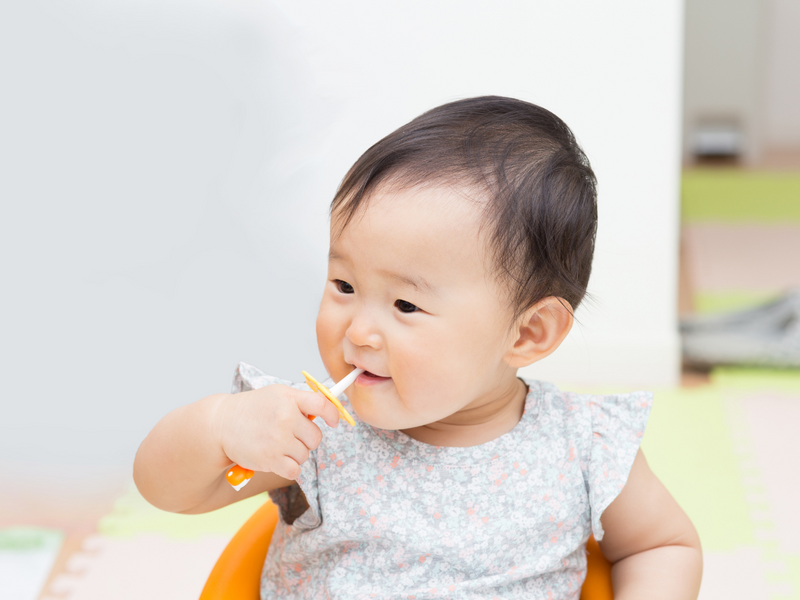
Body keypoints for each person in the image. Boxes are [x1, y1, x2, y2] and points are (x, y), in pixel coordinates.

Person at [134, 96, 702, 599]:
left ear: (527, 333)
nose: (358, 331)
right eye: (344, 286)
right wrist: (220, 425)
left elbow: (662, 547)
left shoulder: (584, 444)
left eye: (405, 306)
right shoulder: (312, 432)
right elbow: (166, 489)